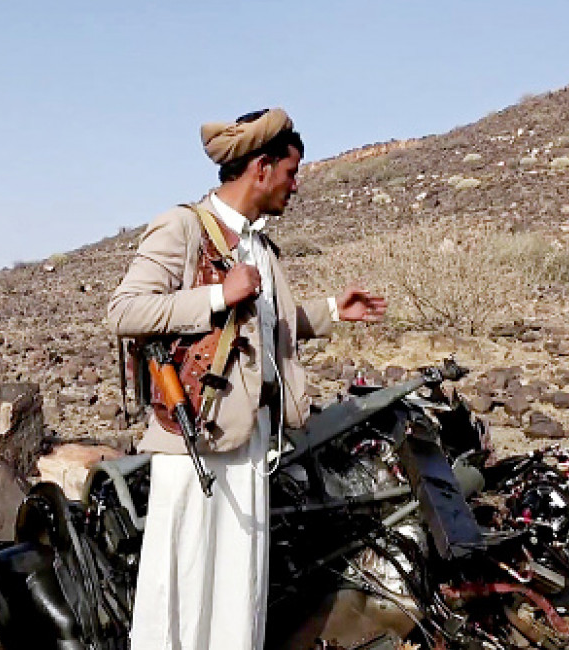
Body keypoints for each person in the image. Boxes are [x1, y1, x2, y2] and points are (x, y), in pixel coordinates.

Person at [107, 107, 387, 649]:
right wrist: (216, 295)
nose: (295, 186)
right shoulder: (184, 227)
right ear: (261, 168)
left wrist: (332, 309)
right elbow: (123, 312)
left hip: (250, 440)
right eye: (290, 172)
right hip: (194, 443)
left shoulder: (259, 247)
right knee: (182, 585)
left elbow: (263, 332)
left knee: (239, 589)